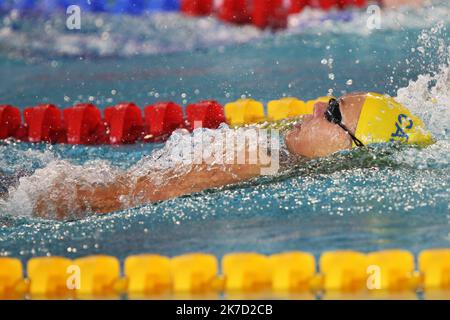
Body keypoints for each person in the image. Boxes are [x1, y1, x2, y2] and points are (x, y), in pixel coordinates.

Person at [5, 92, 433, 219]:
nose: (320, 106)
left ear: (348, 147)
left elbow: (117, 197)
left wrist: (18, 198)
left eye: (334, 112)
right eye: (332, 99)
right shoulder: (270, 157)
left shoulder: (255, 161)